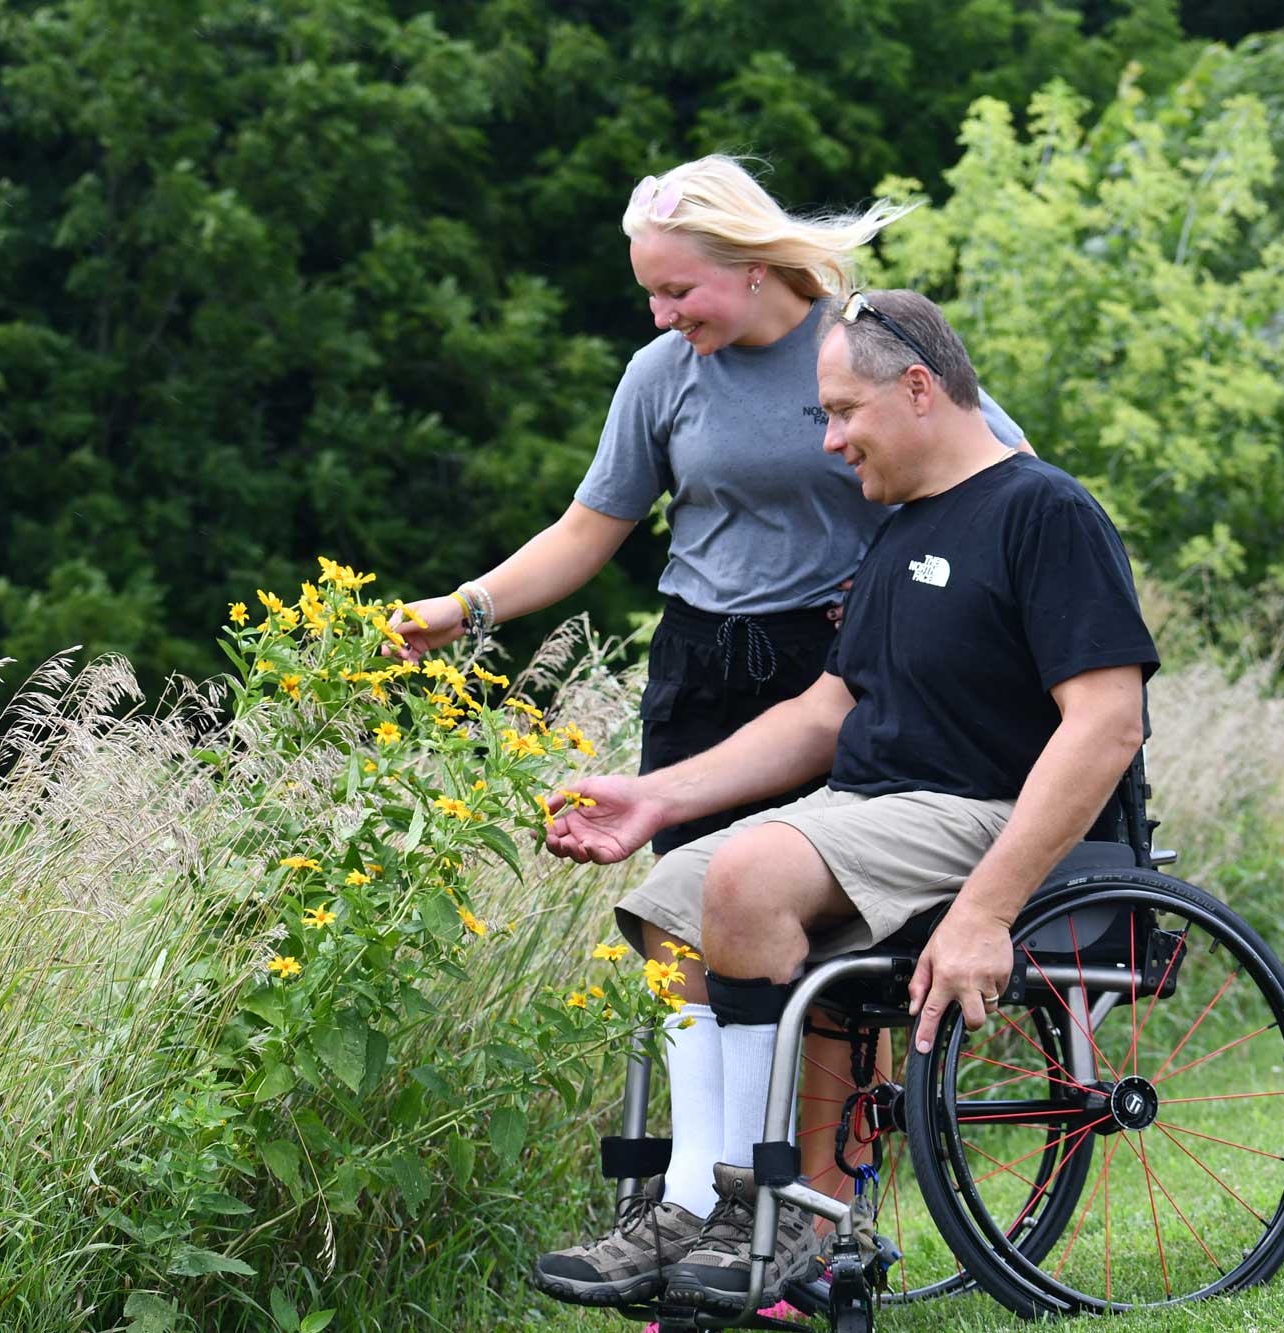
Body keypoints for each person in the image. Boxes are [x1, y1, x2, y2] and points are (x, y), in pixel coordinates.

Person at [388, 157, 1029, 1246]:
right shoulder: (659, 374)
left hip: (830, 672)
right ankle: (694, 1202)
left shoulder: (856, 352)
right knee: (683, 925)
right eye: (649, 291)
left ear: (747, 266)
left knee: (815, 959)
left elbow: (989, 474)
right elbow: (589, 530)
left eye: (678, 289)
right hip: (699, 671)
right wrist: (468, 608)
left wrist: (898, 591)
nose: (660, 311)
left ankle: (808, 1215)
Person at [527, 289, 1161, 1314]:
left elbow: (1104, 724)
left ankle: (765, 1210)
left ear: (917, 390)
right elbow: (826, 713)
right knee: (673, 892)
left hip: (985, 808)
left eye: (839, 413)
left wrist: (988, 910)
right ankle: (691, 1206)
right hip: (875, 809)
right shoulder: (898, 536)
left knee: (744, 873)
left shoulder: (1044, 512)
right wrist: (654, 795)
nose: (827, 443)